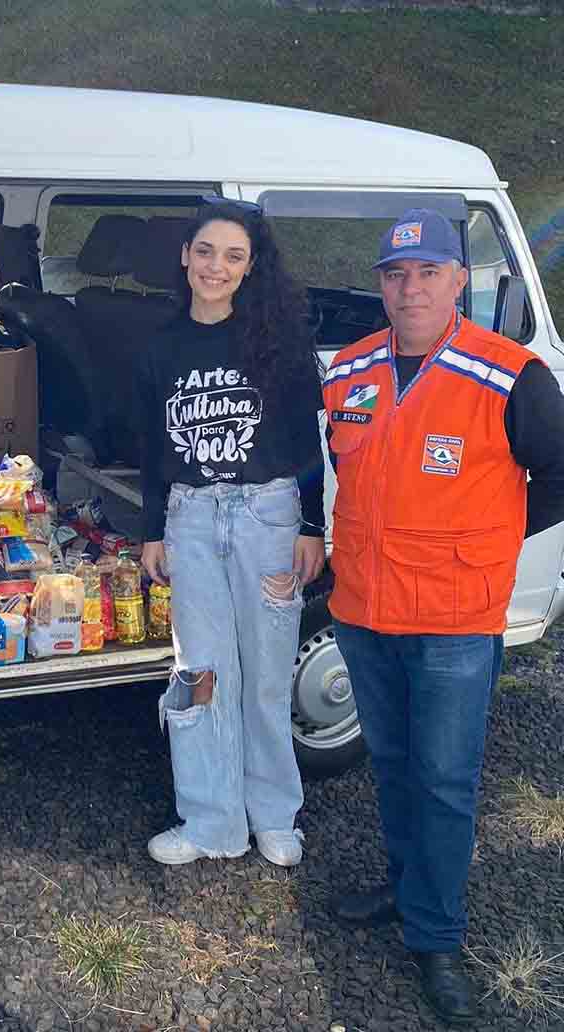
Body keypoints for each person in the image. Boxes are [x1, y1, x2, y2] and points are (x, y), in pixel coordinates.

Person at [324, 208, 564, 1025]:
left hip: (455, 619)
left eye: (429, 272)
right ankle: (406, 888)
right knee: (393, 766)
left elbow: (558, 473)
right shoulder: (349, 369)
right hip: (364, 610)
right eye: (396, 274)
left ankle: (437, 937)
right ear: (380, 284)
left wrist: (492, 537)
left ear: (461, 280)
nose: (411, 288)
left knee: (445, 779)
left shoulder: (511, 374)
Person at [138, 201, 325, 869]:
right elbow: (151, 447)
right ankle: (210, 821)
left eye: (234, 256)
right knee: (200, 672)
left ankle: (274, 814)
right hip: (189, 518)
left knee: (268, 676)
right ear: (185, 257)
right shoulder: (160, 346)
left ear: (250, 268)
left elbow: (306, 443)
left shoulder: (276, 342)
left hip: (267, 517)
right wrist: (152, 530)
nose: (216, 266)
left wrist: (312, 524)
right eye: (206, 251)